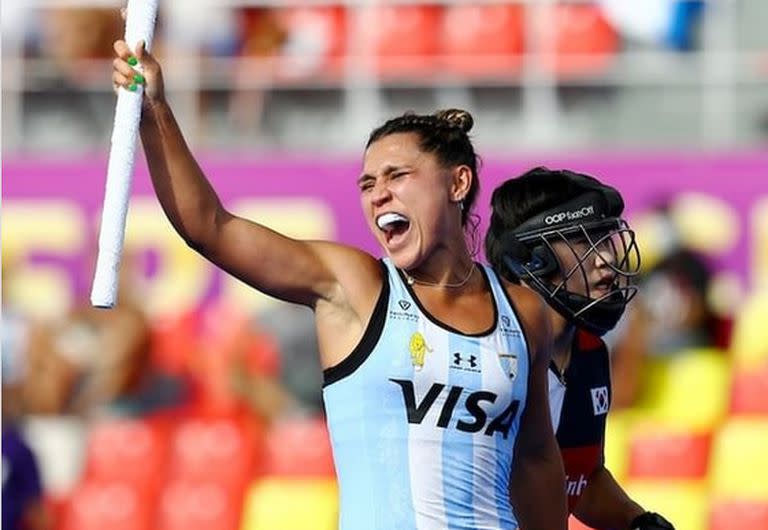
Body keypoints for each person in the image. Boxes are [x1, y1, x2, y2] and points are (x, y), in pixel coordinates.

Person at [111, 34, 566, 530]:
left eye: (398, 175)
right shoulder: (354, 286)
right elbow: (209, 227)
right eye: (368, 184)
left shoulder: (524, 313)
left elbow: (536, 460)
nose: (378, 194)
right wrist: (155, 110)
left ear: (458, 183)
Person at [485, 167, 675, 530]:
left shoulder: (590, 353)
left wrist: (638, 522)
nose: (606, 260)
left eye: (606, 239)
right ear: (533, 258)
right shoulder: (483, 357)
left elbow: (579, 480)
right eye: (583, 241)